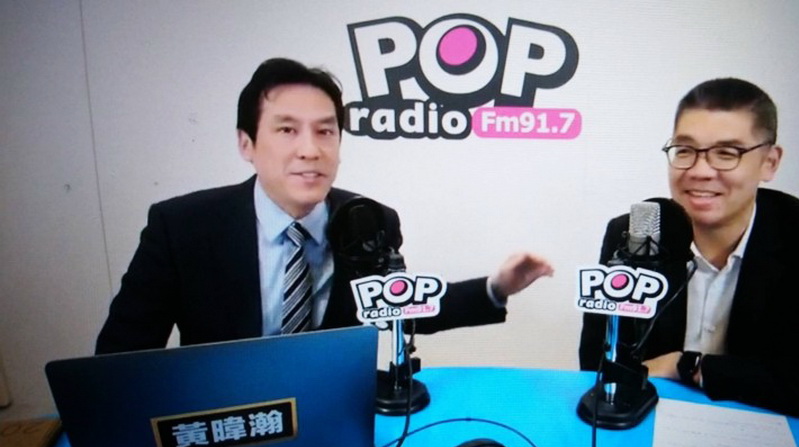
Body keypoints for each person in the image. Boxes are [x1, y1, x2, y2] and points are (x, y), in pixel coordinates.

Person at [96, 57, 553, 354]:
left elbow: (398, 305)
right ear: (246, 143)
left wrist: (496, 286)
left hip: (331, 418)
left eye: (325, 131)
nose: (310, 150)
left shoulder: (368, 220)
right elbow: (120, 357)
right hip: (223, 420)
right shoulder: (181, 227)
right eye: (287, 130)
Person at [579, 78, 799, 425]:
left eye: (726, 153)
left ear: (770, 162)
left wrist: (688, 365)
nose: (700, 171)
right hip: (653, 422)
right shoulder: (635, 234)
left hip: (769, 426)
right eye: (685, 150)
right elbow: (597, 367)